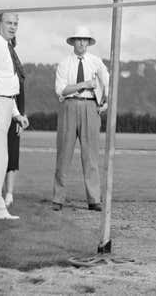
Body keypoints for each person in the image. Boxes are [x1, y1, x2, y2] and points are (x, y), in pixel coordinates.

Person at [52, 26, 109, 212]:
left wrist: (105, 102)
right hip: (69, 106)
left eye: (85, 39)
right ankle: (58, 199)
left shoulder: (96, 62)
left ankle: (94, 200)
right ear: (73, 42)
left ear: (89, 42)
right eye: (79, 39)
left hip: (91, 107)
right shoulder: (64, 63)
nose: (82, 43)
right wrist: (84, 84)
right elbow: (61, 90)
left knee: (91, 155)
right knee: (64, 154)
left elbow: (107, 84)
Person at [0, 12, 29, 220]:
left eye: (15, 24)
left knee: (0, 156)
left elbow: (8, 84)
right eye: (9, 23)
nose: (13, 27)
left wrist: (16, 114)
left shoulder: (7, 47)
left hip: (4, 102)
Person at [3, 35, 26, 209]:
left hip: (15, 115)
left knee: (12, 154)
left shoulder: (18, 68)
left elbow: (20, 96)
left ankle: (9, 194)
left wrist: (20, 117)